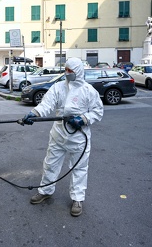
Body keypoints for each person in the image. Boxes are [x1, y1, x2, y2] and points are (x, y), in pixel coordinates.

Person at [21, 57, 104, 217]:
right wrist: (34, 114)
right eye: (66, 70)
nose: (67, 73)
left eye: (70, 71)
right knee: (50, 164)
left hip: (79, 138)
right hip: (58, 135)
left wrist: (83, 119)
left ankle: (78, 199)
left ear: (78, 72)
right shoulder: (58, 88)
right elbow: (47, 104)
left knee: (79, 169)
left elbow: (97, 111)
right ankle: (45, 191)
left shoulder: (88, 91)